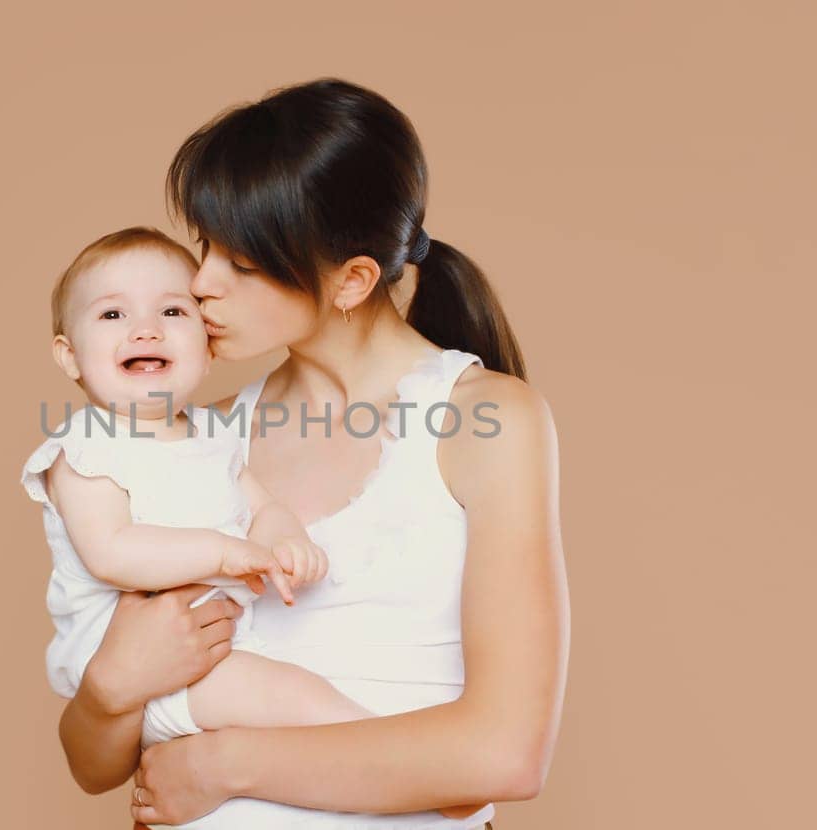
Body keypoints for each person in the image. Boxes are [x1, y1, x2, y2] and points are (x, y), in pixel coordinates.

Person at [56, 78, 570, 829]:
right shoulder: (204, 436)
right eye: (205, 247)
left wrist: (222, 765)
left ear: (352, 279)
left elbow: (505, 754)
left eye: (244, 263)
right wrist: (108, 687)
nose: (200, 285)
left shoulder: (484, 419)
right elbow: (93, 766)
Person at [22, 226, 379, 750]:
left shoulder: (212, 432)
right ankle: (409, 757)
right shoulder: (83, 447)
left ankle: (400, 759)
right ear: (70, 355)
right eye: (112, 315)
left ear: (207, 348)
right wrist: (225, 554)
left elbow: (262, 505)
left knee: (300, 696)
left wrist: (286, 540)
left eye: (172, 312)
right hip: (138, 671)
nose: (146, 331)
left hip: (215, 650)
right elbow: (111, 552)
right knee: (297, 698)